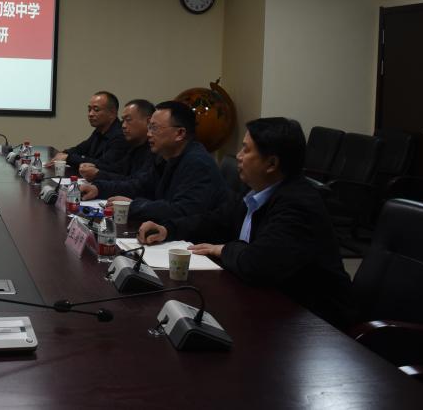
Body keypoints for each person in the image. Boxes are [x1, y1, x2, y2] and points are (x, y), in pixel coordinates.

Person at [138, 117, 356, 330]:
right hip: (268, 304)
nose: (239, 156)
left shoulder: (298, 204)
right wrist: (168, 229)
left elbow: (257, 263)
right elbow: (214, 220)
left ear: (272, 164)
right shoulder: (257, 190)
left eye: (246, 149)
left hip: (314, 324)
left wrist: (222, 249)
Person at [80, 100, 225, 225]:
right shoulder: (164, 157)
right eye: (149, 127)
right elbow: (139, 186)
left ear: (180, 133)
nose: (149, 134)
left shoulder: (198, 163)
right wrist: (99, 188)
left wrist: (133, 206)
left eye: (154, 128)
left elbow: (181, 210)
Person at [46, 91, 130, 172]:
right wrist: (63, 153)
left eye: (96, 110)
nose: (90, 114)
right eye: (89, 109)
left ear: (112, 113)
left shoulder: (120, 135)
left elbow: (103, 164)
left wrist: (68, 158)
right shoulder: (99, 131)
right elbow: (81, 148)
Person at [77, 99, 155, 182]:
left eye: (128, 120)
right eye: (123, 120)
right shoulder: (134, 146)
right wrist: (93, 168)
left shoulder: (154, 150)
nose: (123, 126)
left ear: (148, 122)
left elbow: (136, 183)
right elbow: (117, 169)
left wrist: (98, 174)